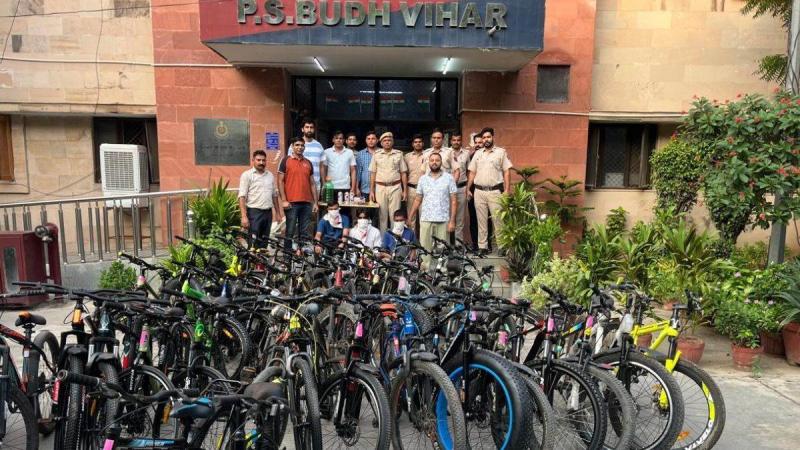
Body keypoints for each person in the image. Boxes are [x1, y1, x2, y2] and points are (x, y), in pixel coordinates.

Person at [466, 127, 512, 256]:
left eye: (488, 137)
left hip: (495, 191)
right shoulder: (478, 154)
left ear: (492, 137)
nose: (486, 139)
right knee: (481, 221)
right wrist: (468, 188)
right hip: (479, 191)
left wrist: (507, 189)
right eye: (484, 137)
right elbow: (472, 172)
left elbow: (507, 171)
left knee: (498, 220)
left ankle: (502, 246)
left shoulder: (500, 153)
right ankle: (483, 246)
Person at [408, 153, 457, 268]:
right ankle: (424, 274)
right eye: (432, 160)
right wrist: (410, 217)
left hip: (443, 219)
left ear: (441, 162)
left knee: (443, 249)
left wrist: (452, 221)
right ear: (428, 163)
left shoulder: (449, 178)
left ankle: (443, 273)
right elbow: (418, 199)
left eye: (437, 160)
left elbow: (454, 201)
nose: (434, 162)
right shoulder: (423, 179)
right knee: (425, 249)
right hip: (426, 219)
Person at [278, 136, 319, 253]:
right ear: (292, 146)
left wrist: (315, 203)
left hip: (306, 203)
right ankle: (287, 255)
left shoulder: (308, 163)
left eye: (302, 145)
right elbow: (280, 181)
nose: (300, 147)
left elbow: (312, 183)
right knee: (290, 231)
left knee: (304, 232)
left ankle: (301, 255)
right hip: (291, 203)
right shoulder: (285, 160)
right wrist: (284, 200)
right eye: (297, 145)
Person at [238, 150, 280, 248]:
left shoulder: (270, 175)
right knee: (253, 243)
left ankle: (262, 258)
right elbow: (242, 197)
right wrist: (244, 216)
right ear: (253, 160)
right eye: (258, 160)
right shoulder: (247, 175)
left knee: (264, 242)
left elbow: (274, 195)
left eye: (263, 160)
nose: (261, 162)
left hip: (268, 213)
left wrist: (278, 213)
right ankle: (252, 258)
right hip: (254, 213)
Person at [369, 132, 408, 231]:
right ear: (381, 143)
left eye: (389, 140)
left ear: (392, 142)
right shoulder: (376, 154)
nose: (387, 142)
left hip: (395, 187)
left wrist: (405, 190)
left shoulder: (399, 154)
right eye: (385, 141)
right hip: (380, 187)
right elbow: (373, 173)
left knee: (395, 215)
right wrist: (371, 191)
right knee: (382, 216)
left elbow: (403, 173)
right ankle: (384, 238)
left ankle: (395, 238)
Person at [286, 118, 326, 193]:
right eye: (307, 127)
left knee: (315, 201)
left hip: (315, 185)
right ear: (302, 129)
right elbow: (289, 164)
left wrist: (324, 184)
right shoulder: (294, 145)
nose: (309, 129)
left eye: (311, 127)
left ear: (314, 129)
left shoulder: (319, 146)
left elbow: (321, 166)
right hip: (298, 184)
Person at [322, 130, 357, 203]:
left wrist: (353, 187)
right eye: (336, 138)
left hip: (345, 186)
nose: (338, 140)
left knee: (345, 209)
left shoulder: (349, 152)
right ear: (333, 140)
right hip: (330, 187)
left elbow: (353, 171)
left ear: (344, 140)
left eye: (340, 138)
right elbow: (324, 169)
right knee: (330, 208)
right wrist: (324, 184)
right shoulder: (327, 152)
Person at [450, 132, 470, 245]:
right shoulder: (446, 153)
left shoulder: (466, 154)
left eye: (458, 140)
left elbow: (469, 171)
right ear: (451, 141)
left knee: (460, 218)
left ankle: (458, 245)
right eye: (454, 140)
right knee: (446, 216)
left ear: (461, 141)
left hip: (461, 188)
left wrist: (468, 188)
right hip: (447, 190)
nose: (456, 142)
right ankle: (446, 244)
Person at [404, 134, 426, 230]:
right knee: (411, 216)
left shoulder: (427, 155)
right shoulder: (407, 157)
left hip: (425, 189)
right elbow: (404, 174)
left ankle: (423, 238)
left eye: (420, 142)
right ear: (412, 144)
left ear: (423, 143)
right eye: (415, 142)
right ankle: (411, 238)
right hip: (411, 188)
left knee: (423, 216)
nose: (418, 144)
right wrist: (404, 190)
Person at [467, 132, 482, 250]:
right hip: (472, 190)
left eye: (480, 142)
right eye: (476, 142)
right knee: (473, 217)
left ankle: (486, 245)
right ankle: (475, 244)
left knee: (485, 218)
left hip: (483, 189)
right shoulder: (469, 156)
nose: (478, 145)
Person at [355, 131, 378, 200]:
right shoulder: (360, 154)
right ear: (365, 140)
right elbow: (358, 172)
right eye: (368, 139)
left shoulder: (381, 153)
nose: (370, 141)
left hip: (380, 189)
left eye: (373, 139)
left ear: (377, 140)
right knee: (365, 207)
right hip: (364, 189)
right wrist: (356, 188)